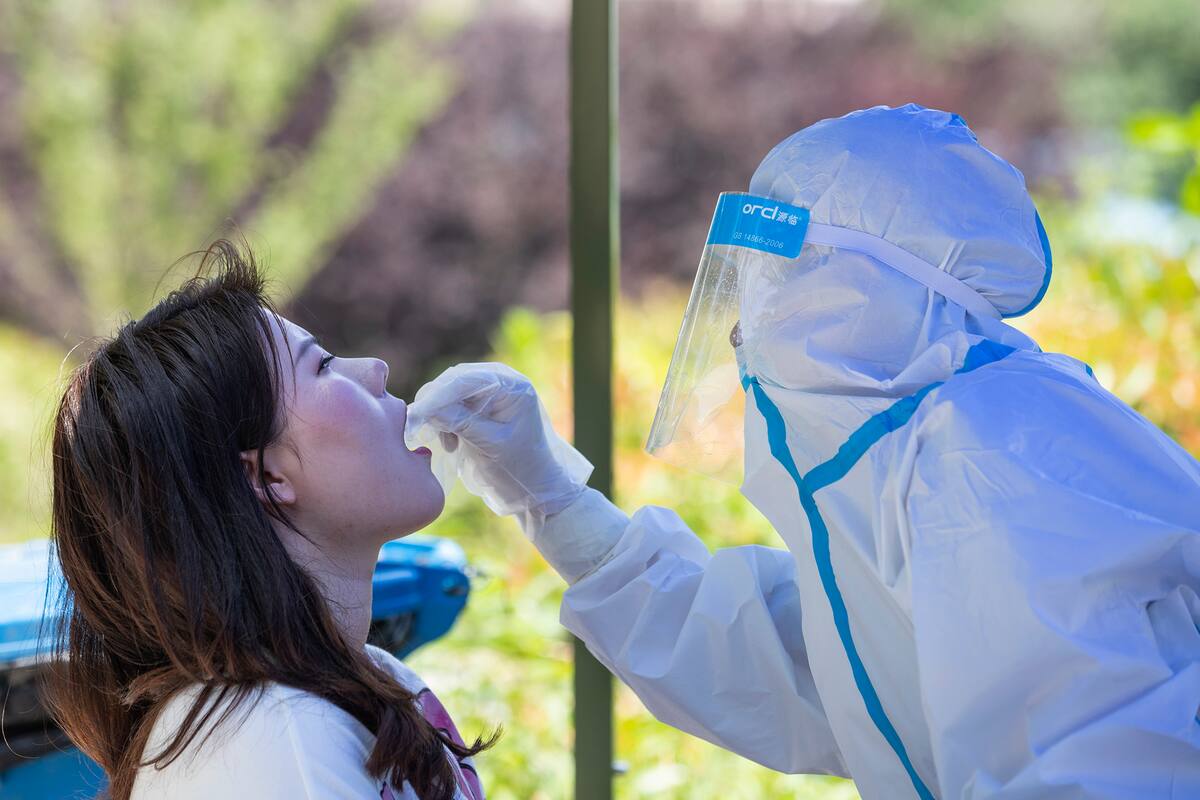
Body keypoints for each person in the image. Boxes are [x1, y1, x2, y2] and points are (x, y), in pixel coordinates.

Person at [410, 105, 1200, 798]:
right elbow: (814, 662)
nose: (743, 325)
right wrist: (552, 501)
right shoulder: (924, 447)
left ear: (883, 286)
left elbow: (1099, 768)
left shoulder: (996, 458)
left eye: (782, 274)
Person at [45, 241, 490, 800]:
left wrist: (561, 512)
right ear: (265, 475)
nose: (376, 369)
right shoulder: (280, 737)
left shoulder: (355, 687)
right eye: (322, 365)